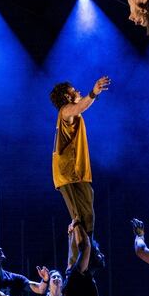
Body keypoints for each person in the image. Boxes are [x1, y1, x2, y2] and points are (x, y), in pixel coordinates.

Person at [50, 75, 110, 247]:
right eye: (74, 90)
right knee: (80, 219)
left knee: (88, 216)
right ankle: (80, 260)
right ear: (67, 97)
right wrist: (93, 93)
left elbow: (81, 107)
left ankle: (88, 252)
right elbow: (80, 107)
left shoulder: (72, 114)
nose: (78, 91)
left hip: (78, 173)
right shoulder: (65, 111)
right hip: (69, 173)